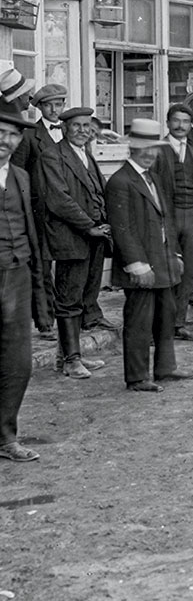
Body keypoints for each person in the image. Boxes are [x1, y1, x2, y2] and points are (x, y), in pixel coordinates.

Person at [106, 119, 193, 393]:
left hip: (164, 260)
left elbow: (166, 221)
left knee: (166, 316)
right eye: (143, 148)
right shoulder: (120, 181)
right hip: (142, 265)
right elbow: (122, 230)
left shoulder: (153, 177)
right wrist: (137, 264)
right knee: (139, 321)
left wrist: (175, 254)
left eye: (154, 149)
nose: (150, 154)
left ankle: (165, 368)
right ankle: (137, 377)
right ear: (130, 149)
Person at [36, 106, 112, 378]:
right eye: (76, 126)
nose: (82, 131)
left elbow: (96, 192)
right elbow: (58, 199)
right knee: (69, 298)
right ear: (64, 128)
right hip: (70, 236)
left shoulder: (86, 155)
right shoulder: (52, 155)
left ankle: (68, 355)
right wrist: (88, 226)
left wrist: (104, 223)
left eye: (86, 126)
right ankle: (71, 360)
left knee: (83, 295)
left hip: (93, 236)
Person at [0, 104, 42, 460]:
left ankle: (6, 437)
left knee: (18, 361)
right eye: (0, 132)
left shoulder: (20, 177)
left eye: (13, 134)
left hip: (17, 273)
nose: (6, 140)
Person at [12, 80, 66, 340]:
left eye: (59, 104)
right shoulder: (29, 135)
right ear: (40, 107)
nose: (55, 109)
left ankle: (71, 317)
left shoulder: (70, 131)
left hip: (66, 209)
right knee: (43, 266)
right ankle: (45, 322)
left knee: (67, 264)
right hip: (40, 210)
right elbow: (19, 174)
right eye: (50, 105)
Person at [151, 104, 193, 343]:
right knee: (166, 270)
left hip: (189, 217)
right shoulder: (158, 150)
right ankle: (159, 327)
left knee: (189, 272)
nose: (180, 125)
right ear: (168, 122)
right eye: (176, 120)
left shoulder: (191, 150)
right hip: (168, 216)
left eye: (185, 121)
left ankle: (179, 323)